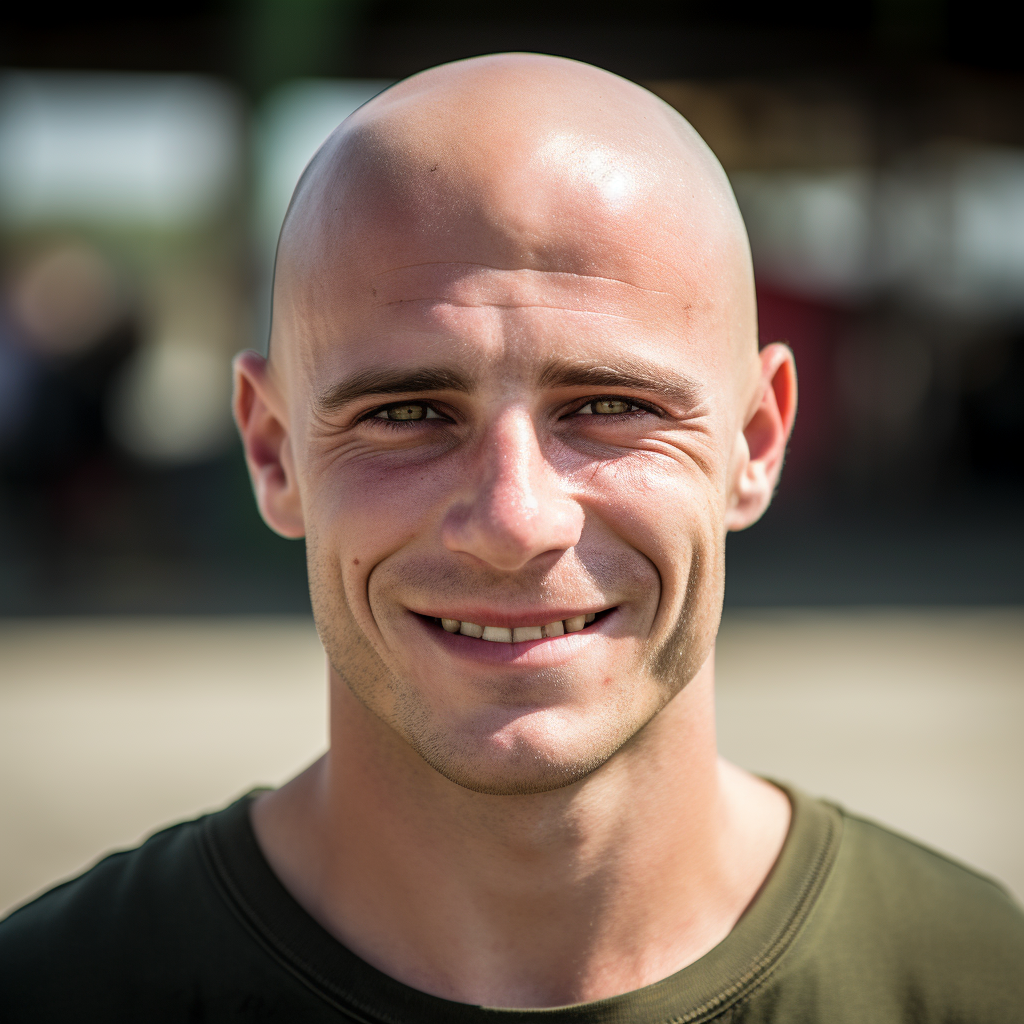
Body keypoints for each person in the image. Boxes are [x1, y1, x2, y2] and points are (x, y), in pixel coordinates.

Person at [2, 53, 1022, 1022]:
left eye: (611, 404)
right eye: (406, 413)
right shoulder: (56, 991)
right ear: (272, 454)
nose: (513, 519)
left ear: (755, 440)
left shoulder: (975, 982)